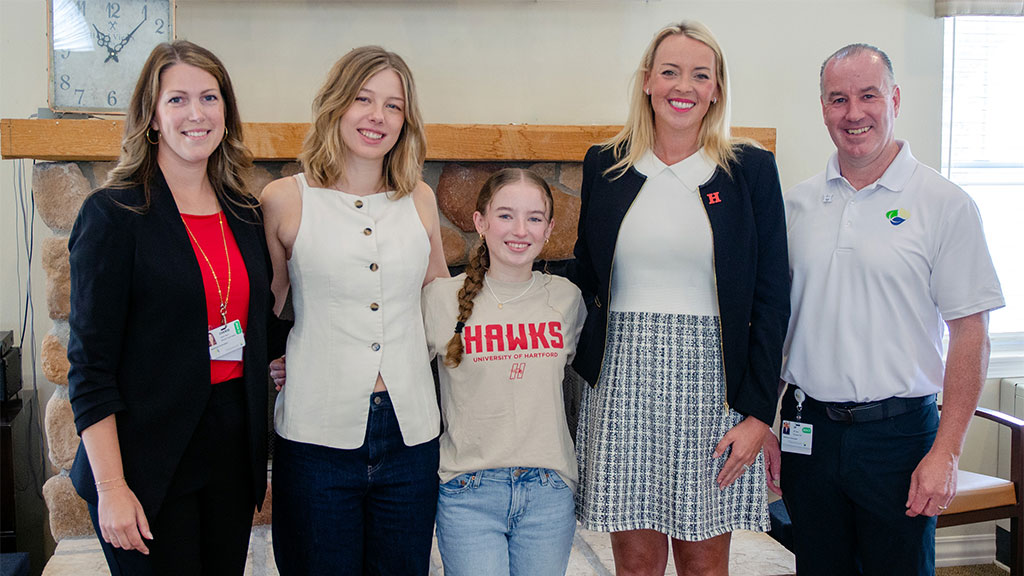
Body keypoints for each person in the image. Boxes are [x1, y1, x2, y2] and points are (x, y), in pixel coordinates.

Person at [763, 44, 1004, 576]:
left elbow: (971, 334)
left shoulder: (945, 204)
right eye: (838, 99)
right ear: (822, 107)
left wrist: (947, 453)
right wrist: (767, 421)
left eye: (868, 96)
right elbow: (779, 324)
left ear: (893, 98)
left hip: (899, 440)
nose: (854, 113)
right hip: (808, 434)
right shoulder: (796, 205)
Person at [570, 20, 791, 576]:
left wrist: (760, 412)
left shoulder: (750, 170)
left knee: (702, 564)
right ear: (647, 80)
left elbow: (772, 298)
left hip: (712, 389)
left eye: (700, 74)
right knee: (636, 565)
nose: (682, 86)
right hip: (622, 381)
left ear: (717, 88)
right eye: (669, 71)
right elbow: (585, 276)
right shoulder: (606, 164)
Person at [67, 40, 282, 575]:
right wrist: (112, 487)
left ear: (226, 114)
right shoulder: (113, 216)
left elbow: (259, 325)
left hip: (232, 449)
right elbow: (90, 368)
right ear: (153, 117)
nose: (196, 114)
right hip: (146, 460)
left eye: (210, 98)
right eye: (178, 99)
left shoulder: (247, 213)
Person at [261, 46, 448, 574]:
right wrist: (272, 362)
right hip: (316, 435)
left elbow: (438, 306)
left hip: (411, 433)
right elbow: (267, 310)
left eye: (393, 105)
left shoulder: (421, 199)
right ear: (335, 105)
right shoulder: (284, 199)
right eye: (363, 99)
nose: (377, 116)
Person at [422, 168, 586, 575]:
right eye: (506, 215)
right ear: (480, 222)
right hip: (467, 491)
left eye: (534, 218)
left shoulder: (567, 298)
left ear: (549, 229)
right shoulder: (440, 299)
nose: (520, 230)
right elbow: (391, 366)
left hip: (548, 491)